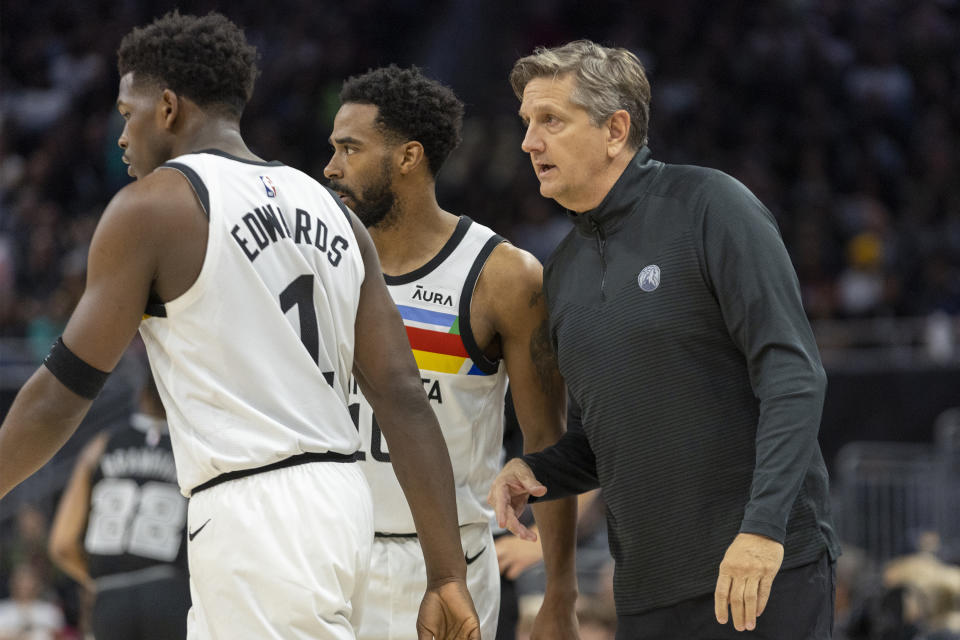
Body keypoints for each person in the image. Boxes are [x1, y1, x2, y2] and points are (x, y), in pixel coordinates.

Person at [0, 11, 480, 639]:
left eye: (127, 112)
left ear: (167, 107)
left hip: (257, 506)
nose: (121, 136)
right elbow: (404, 398)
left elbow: (64, 390)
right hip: (342, 502)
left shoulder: (154, 206)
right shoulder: (332, 213)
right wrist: (446, 575)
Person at [488, 40, 842, 639]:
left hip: (757, 571)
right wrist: (535, 468)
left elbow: (793, 374)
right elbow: (605, 439)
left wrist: (762, 531)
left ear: (615, 128)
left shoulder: (712, 206)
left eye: (550, 120)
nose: (529, 142)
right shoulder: (564, 269)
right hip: (647, 595)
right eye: (527, 123)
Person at [323, 65, 578, 640]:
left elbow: (546, 443)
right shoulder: (318, 261)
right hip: (325, 556)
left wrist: (560, 592)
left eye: (349, 149)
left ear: (409, 157)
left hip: (443, 567)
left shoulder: (503, 276)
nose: (331, 168)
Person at [48, 368, 190, 640]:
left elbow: (62, 545)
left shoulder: (100, 446)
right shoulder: (191, 449)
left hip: (110, 597)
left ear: (141, 395)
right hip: (170, 591)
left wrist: (101, 582)